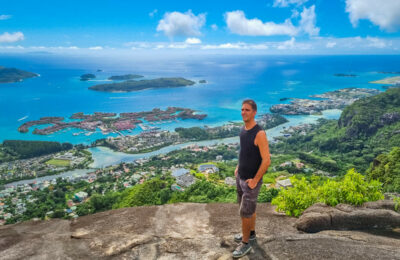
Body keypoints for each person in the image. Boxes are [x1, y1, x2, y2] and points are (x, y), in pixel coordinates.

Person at [232, 99, 271, 258]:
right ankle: (251, 233)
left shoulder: (259, 133)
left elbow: (267, 159)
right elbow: (244, 152)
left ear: (254, 112)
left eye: (247, 110)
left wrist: (255, 180)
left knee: (246, 212)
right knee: (247, 209)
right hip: (241, 177)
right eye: (242, 109)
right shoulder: (243, 129)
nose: (243, 112)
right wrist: (237, 166)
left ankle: (245, 244)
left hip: (250, 181)